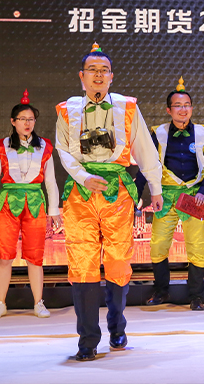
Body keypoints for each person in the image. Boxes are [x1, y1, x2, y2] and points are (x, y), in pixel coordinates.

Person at [55, 43, 163, 362]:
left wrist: (155, 188)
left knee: (118, 261)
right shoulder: (67, 109)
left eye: (104, 71)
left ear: (112, 77)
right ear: (82, 76)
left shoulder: (127, 107)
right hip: (81, 192)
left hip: (117, 190)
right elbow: (63, 149)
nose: (98, 75)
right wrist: (82, 176)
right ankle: (87, 339)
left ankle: (117, 326)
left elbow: (145, 148)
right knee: (82, 262)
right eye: (93, 70)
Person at [0, 91, 61, 320]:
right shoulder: (2, 147)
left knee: (35, 256)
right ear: (13, 122)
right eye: (22, 119)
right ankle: (0, 303)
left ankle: (38, 302)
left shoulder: (45, 147)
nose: (27, 123)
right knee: (4, 255)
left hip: (35, 203)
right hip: (8, 204)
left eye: (31, 119)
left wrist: (54, 211)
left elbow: (50, 182)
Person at [136, 77, 204, 311]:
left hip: (194, 196)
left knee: (197, 246)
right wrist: (138, 192)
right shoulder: (159, 134)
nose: (183, 110)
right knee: (158, 244)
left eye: (187, 105)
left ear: (192, 108)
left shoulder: (202, 133)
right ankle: (161, 291)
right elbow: (147, 165)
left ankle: (196, 296)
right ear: (168, 110)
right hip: (165, 196)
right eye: (178, 106)